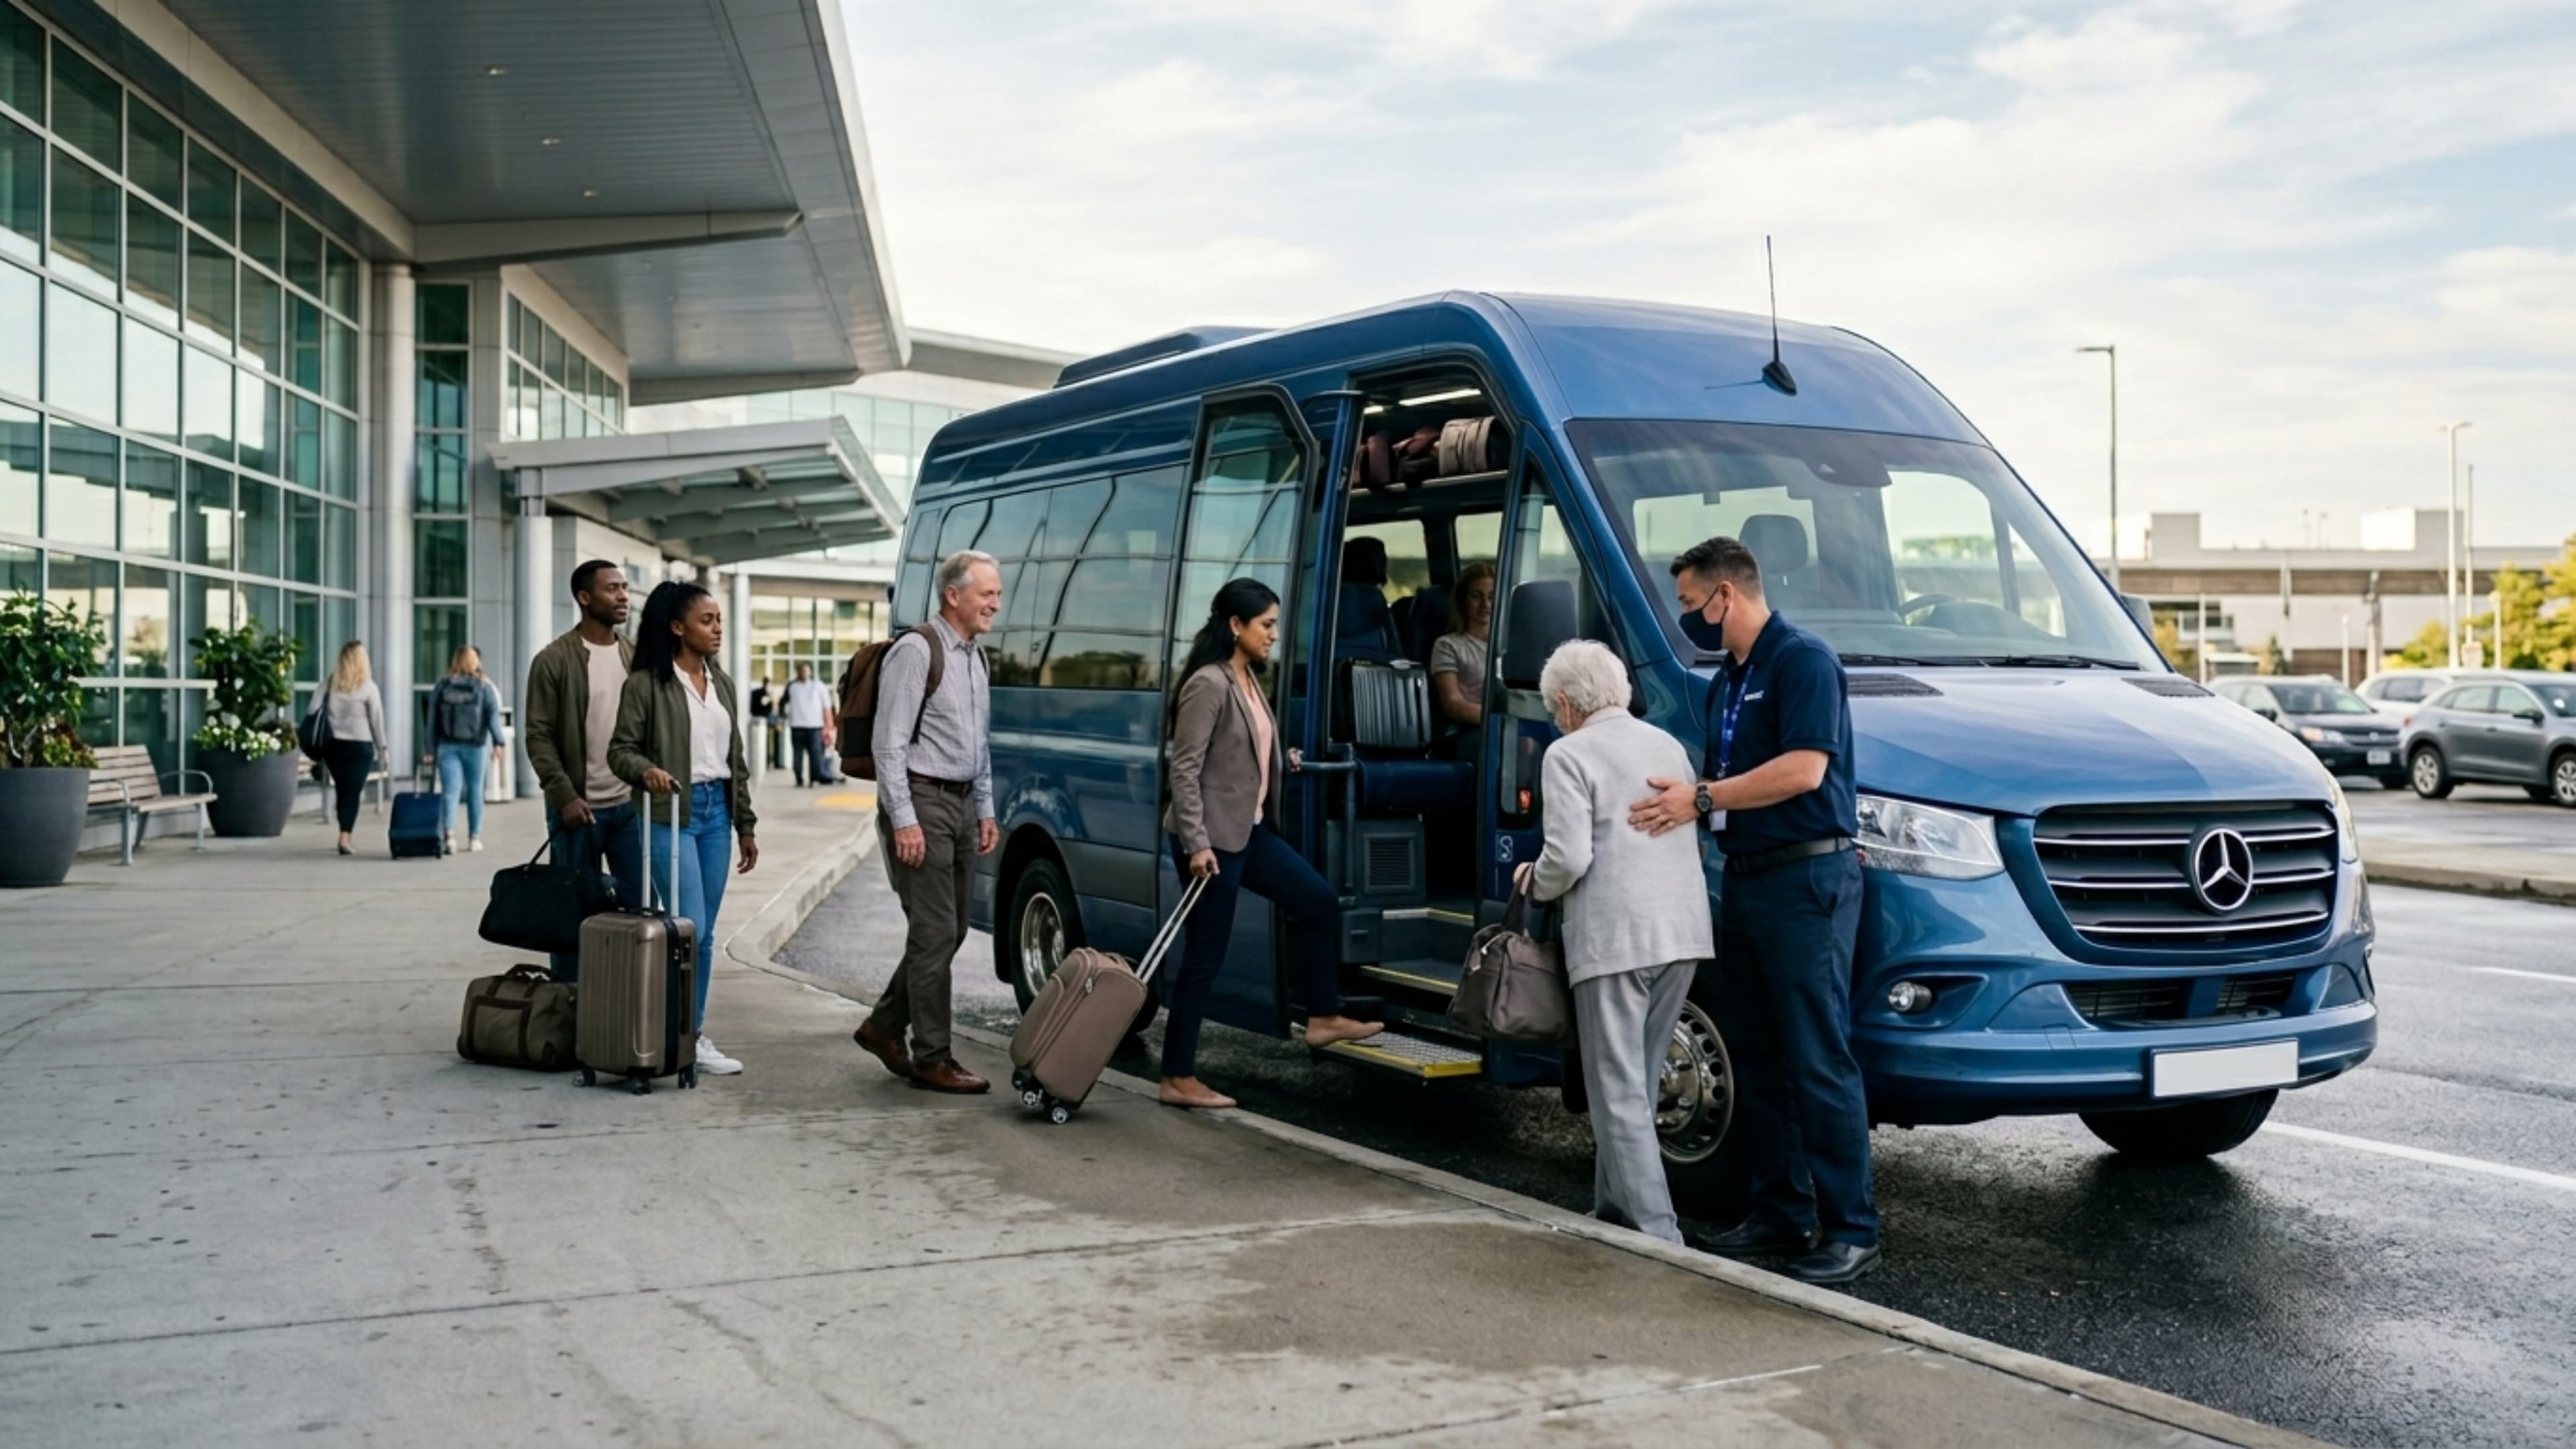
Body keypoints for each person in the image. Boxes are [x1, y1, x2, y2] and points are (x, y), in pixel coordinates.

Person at [1629, 535, 1877, 1285]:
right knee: (1760, 1058)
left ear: (1726, 595)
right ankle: (1779, 1211)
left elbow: (1804, 771)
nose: (1688, 620)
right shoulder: (1726, 680)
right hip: (1747, 879)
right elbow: (1725, 772)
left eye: (1690, 604)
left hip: (1807, 883)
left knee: (1817, 1056)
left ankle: (1851, 1228)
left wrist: (1701, 798)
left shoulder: (1803, 661)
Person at [1514, 639, 1712, 1245]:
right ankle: (1613, 1213)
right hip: (1681, 933)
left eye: (1554, 710)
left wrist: (1535, 881)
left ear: (1569, 705)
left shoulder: (1569, 753)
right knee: (1635, 1083)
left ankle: (1660, 1235)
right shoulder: (1668, 745)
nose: (1555, 719)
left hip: (1616, 938)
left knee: (1616, 1091)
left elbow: (1570, 856)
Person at [1159, 578, 1382, 1111]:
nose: (1274, 635)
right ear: (1235, 626)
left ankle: (1323, 1017)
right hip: (1211, 841)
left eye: (1275, 625)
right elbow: (1184, 771)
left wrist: (1285, 760)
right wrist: (1196, 844)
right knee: (1205, 956)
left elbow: (1241, 752)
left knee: (1316, 901)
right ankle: (1177, 1076)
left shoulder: (1248, 678)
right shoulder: (1209, 684)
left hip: (1248, 831)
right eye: (1266, 625)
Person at [851, 551, 1002, 1093]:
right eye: (987, 593)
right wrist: (905, 821)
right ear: (953, 595)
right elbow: (888, 744)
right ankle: (932, 1056)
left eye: (997, 594)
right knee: (936, 932)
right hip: (923, 800)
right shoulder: (918, 651)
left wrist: (984, 808)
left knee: (951, 929)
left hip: (960, 804)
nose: (996, 603)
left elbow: (978, 743)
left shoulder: (976, 658)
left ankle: (884, 1025)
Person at [609, 580, 759, 1077]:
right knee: (687, 929)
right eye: (707, 621)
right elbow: (620, 750)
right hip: (669, 812)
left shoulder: (723, 684)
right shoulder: (647, 684)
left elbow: (734, 760)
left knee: (706, 934)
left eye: (719, 620)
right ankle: (670, 1035)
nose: (717, 629)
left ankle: (690, 1036)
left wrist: (745, 824)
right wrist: (644, 770)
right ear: (677, 628)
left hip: (716, 813)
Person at [523, 561, 644, 982]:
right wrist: (564, 796)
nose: (623, 596)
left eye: (625, 588)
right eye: (613, 589)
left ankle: (626, 998)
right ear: (585, 598)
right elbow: (538, 736)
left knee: (641, 903)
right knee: (572, 913)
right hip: (578, 809)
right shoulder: (554, 660)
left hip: (629, 808)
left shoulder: (634, 656)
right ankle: (570, 1004)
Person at [425, 645, 505, 855]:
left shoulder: (443, 685)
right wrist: (499, 742)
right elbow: (492, 716)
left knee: (450, 793)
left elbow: (432, 719)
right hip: (476, 746)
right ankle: (474, 838)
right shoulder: (483, 686)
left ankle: (449, 836)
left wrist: (429, 748)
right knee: (475, 791)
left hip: (447, 746)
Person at [315, 641, 388, 857]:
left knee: (342, 790)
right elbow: (377, 721)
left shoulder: (329, 684)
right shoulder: (368, 687)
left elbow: (313, 709)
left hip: (334, 746)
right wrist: (383, 747)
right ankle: (345, 836)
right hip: (360, 747)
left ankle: (344, 833)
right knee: (352, 792)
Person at [1430, 560, 1497, 733]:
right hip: (1469, 730)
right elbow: (1453, 704)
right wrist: (1499, 720)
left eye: (1491, 596)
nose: (1485, 604)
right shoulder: (1447, 645)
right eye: (1476, 596)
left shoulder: (1509, 646)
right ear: (1463, 601)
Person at [783, 663, 833, 788]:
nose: (804, 673)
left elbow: (827, 707)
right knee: (797, 755)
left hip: (815, 726)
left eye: (806, 671)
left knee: (815, 755)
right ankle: (799, 778)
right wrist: (785, 717)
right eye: (801, 671)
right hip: (797, 726)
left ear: (811, 672)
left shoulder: (818, 686)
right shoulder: (792, 686)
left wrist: (829, 725)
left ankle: (814, 779)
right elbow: (783, 703)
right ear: (797, 672)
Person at [748, 675, 778, 771]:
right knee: (767, 742)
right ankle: (768, 760)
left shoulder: (755, 692)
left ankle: (767, 760)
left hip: (758, 720)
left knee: (763, 743)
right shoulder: (765, 693)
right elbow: (765, 704)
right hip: (764, 721)